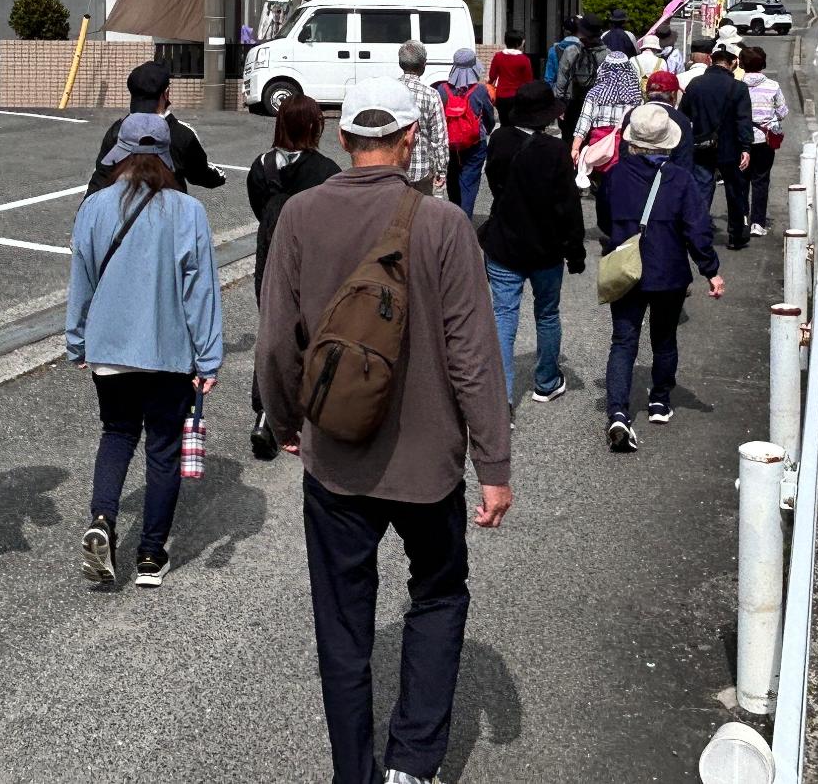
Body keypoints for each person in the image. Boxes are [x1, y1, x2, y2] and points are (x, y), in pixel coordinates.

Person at [256, 76, 512, 784]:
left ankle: (353, 771)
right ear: (408, 140)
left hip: (336, 457)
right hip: (429, 466)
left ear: (342, 138)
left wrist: (286, 422)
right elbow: (473, 353)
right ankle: (414, 763)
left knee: (342, 621)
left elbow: (277, 340)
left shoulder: (301, 215)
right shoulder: (442, 224)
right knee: (437, 592)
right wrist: (494, 463)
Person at [67, 113, 225, 588]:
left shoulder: (94, 207)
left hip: (109, 347)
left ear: (121, 154)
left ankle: (102, 518)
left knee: (116, 434)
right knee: (163, 448)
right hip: (168, 350)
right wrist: (209, 356)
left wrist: (78, 340)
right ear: (166, 157)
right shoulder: (187, 211)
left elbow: (81, 280)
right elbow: (201, 292)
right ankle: (151, 556)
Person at [602, 102, 725, 447]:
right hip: (669, 270)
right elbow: (697, 229)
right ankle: (659, 400)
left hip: (627, 268)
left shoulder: (615, 175)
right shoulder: (680, 179)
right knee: (664, 337)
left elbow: (604, 218)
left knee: (623, 341)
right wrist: (710, 270)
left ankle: (618, 414)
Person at [245, 95, 341, 460]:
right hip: (310, 253)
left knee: (272, 326)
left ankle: (266, 411)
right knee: (309, 327)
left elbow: (259, 205)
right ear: (314, 127)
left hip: (269, 248)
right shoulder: (325, 171)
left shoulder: (262, 166)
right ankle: (303, 409)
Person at [481, 78, 585, 406]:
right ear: (545, 116)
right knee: (547, 313)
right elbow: (568, 205)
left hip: (504, 242)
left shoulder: (498, 140)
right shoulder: (554, 150)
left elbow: (495, 183)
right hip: (545, 247)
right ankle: (546, 381)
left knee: (504, 315)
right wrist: (575, 249)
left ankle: (501, 399)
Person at [86, 60, 227, 196]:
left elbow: (100, 179)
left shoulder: (117, 130)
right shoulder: (181, 134)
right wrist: (220, 175)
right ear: (166, 93)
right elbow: (199, 174)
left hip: (123, 214)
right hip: (170, 214)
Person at [680, 43, 755, 250]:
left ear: (711, 61)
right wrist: (746, 148)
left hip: (701, 145)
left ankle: (697, 235)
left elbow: (683, 115)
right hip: (731, 148)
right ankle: (736, 236)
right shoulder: (738, 88)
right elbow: (743, 120)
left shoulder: (696, 84)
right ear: (733, 63)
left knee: (702, 190)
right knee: (735, 191)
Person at [572, 54, 643, 241]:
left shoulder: (595, 93)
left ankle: (607, 226)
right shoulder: (635, 95)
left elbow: (583, 123)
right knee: (624, 190)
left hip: (600, 151)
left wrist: (575, 147)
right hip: (626, 149)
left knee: (602, 189)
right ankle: (622, 228)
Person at [434, 46, 497, 218]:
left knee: (453, 180)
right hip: (475, 144)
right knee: (469, 184)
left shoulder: (442, 89)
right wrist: (487, 130)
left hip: (450, 144)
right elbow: (489, 117)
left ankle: (454, 218)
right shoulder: (480, 90)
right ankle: (464, 221)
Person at [741, 46, 789, 235]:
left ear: (742, 64)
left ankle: (742, 218)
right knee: (761, 180)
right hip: (764, 139)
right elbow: (783, 112)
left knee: (741, 180)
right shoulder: (773, 86)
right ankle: (758, 223)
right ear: (763, 63)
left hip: (741, 139)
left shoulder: (736, 85)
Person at [397, 40, 450, 197]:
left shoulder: (390, 90)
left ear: (400, 63)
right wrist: (441, 170)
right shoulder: (431, 94)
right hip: (422, 169)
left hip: (394, 167)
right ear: (423, 65)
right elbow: (439, 138)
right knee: (420, 215)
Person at [559, 17, 605, 138]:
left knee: (569, 140)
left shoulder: (571, 51)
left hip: (572, 102)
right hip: (596, 106)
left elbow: (562, 80)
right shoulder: (607, 54)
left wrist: (559, 103)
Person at [644, 68, 695, 171]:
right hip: (667, 180)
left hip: (634, 180)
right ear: (673, 94)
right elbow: (684, 161)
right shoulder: (680, 120)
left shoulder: (632, 115)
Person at [487, 29, 534, 107]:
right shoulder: (524, 59)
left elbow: (492, 76)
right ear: (518, 43)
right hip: (518, 97)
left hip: (500, 96)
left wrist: (488, 84)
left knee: (503, 119)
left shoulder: (498, 56)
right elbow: (528, 81)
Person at [543, 16, 582, 87]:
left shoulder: (554, 50)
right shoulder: (585, 49)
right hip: (581, 92)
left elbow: (549, 78)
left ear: (564, 30)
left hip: (559, 93)